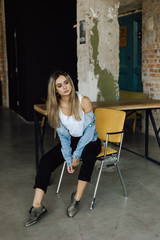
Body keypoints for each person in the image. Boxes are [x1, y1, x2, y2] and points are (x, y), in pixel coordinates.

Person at [26, 70, 101, 227]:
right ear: (55, 90)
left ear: (70, 83)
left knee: (88, 159)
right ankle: (37, 206)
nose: (65, 87)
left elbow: (89, 132)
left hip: (90, 140)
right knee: (45, 162)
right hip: (72, 141)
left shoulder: (83, 101)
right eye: (59, 85)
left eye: (66, 82)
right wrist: (68, 158)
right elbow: (64, 137)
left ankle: (76, 199)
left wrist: (77, 154)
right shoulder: (55, 108)